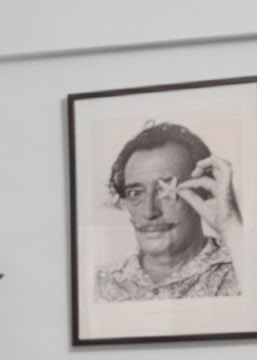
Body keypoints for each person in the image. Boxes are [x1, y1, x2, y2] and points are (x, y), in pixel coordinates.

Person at [92, 118, 247, 302]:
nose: (149, 212)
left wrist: (230, 227)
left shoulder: (243, 269)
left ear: (203, 190)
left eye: (164, 191)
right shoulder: (98, 284)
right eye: (135, 193)